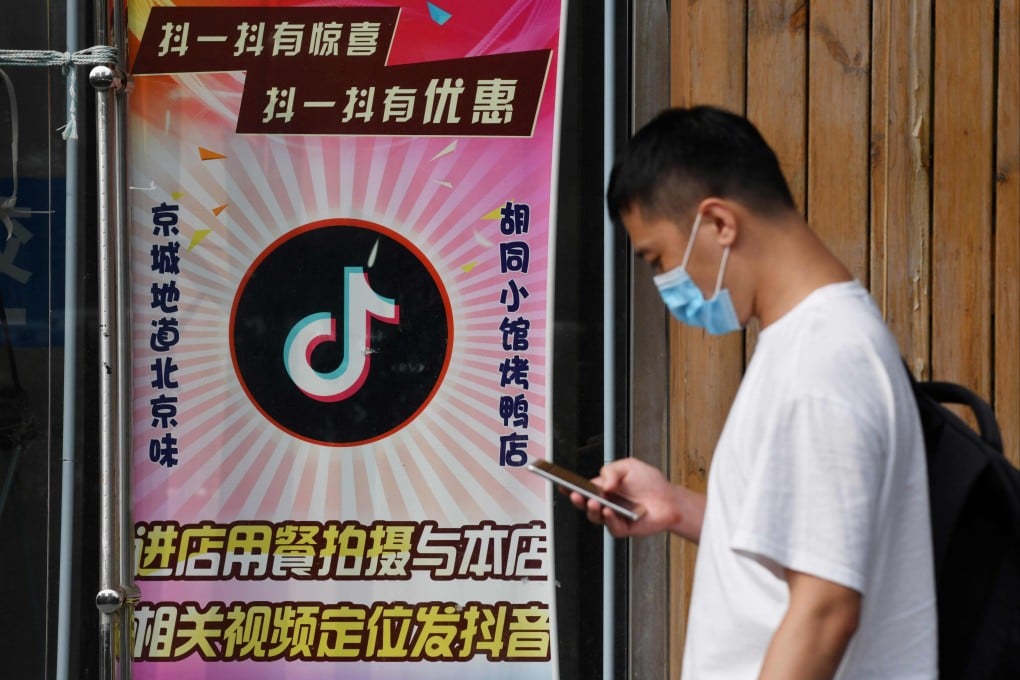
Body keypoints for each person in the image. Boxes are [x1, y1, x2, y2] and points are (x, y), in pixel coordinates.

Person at [571, 106, 937, 678]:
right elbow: (806, 542)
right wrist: (675, 506)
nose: (666, 282)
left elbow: (825, 608)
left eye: (659, 259)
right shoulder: (806, 343)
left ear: (719, 223)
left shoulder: (824, 360)